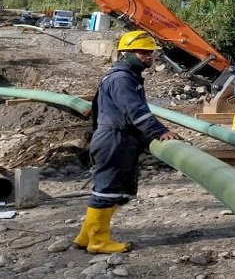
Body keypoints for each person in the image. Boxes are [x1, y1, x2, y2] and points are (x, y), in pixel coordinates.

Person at [73, 30, 180, 254]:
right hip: (115, 139)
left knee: (116, 189)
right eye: (143, 52)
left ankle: (86, 235)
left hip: (118, 138)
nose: (149, 56)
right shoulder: (122, 79)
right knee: (107, 190)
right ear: (126, 53)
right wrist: (159, 132)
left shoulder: (124, 75)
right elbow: (136, 111)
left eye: (151, 52)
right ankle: (98, 241)